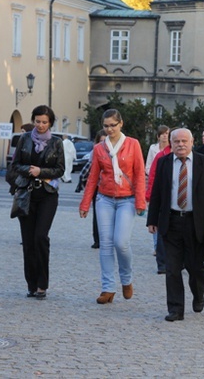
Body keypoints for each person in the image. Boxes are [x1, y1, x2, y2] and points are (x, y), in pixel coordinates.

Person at [147, 128, 204, 322]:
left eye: (184, 141)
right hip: (171, 221)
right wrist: (152, 220)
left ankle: (199, 294)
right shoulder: (164, 163)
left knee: (195, 267)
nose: (180, 144)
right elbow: (157, 192)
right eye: (176, 141)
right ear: (171, 144)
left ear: (192, 143)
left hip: (196, 223)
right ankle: (175, 309)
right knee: (172, 268)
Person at [79, 109, 145, 304]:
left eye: (112, 125)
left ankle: (126, 279)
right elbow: (92, 178)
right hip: (104, 199)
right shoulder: (99, 148)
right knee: (105, 245)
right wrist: (85, 203)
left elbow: (140, 174)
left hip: (127, 199)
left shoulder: (133, 144)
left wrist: (141, 201)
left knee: (121, 242)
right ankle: (108, 288)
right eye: (106, 126)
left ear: (121, 124)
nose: (109, 129)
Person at [8, 105, 65, 299]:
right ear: (33, 121)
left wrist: (41, 172)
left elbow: (60, 169)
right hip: (27, 194)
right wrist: (29, 170)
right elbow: (14, 165)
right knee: (28, 241)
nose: (40, 125)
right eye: (37, 121)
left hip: (48, 194)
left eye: (44, 122)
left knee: (41, 237)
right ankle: (31, 284)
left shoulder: (56, 143)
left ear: (50, 123)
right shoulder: (24, 139)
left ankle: (42, 284)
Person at [145, 130, 171, 274]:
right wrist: (149, 195)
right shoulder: (161, 157)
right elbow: (153, 178)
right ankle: (162, 263)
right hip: (162, 200)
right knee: (161, 232)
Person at [76, 129, 106, 248]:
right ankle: (97, 239)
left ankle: (107, 238)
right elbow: (87, 171)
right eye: (101, 141)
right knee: (97, 214)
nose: (104, 144)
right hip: (97, 187)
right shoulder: (95, 152)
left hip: (110, 187)